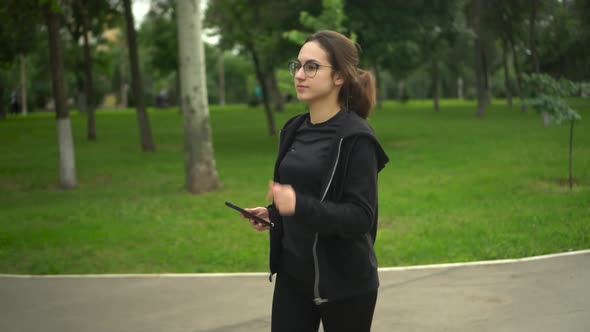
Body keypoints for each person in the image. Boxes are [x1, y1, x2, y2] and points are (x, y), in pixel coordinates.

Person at [242, 30, 389, 332]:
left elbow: (360, 217)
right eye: (297, 65)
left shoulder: (357, 138)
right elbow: (305, 198)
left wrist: (299, 205)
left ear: (338, 77)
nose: (300, 75)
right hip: (293, 279)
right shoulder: (293, 129)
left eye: (311, 67)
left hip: (345, 285)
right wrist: (273, 214)